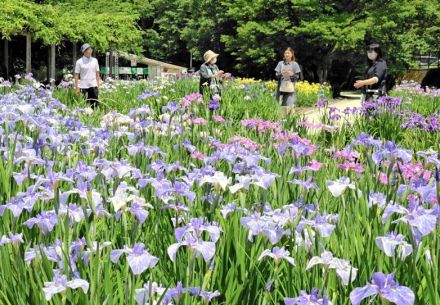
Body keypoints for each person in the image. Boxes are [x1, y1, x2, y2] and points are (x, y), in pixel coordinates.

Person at [74, 43, 100, 108]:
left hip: (93, 85)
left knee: (95, 105)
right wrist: (77, 88)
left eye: (91, 49)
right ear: (84, 51)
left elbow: (97, 74)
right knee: (85, 105)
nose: (90, 50)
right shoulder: (79, 62)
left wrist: (98, 85)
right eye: (88, 49)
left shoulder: (95, 60)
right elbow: (76, 75)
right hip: (83, 86)